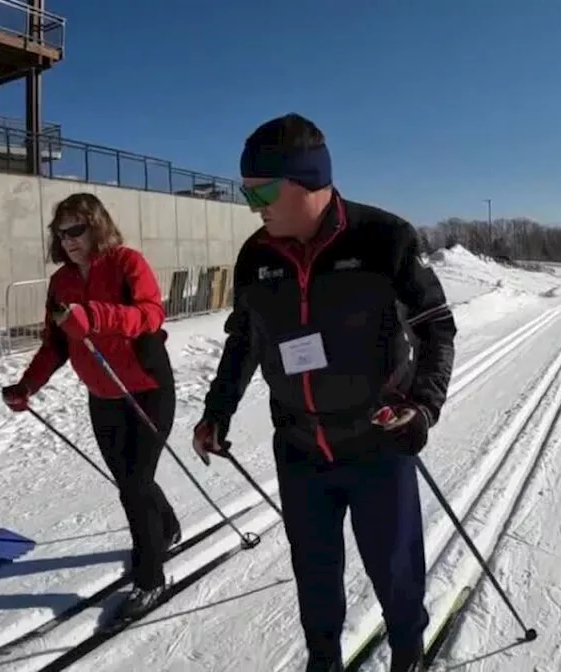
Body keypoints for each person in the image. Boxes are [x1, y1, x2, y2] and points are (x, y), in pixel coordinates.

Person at [192, 113, 457, 672]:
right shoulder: (256, 256)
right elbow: (244, 339)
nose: (253, 206)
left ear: (308, 181)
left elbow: (436, 325)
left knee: (394, 566)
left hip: (376, 442)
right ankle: (322, 660)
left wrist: (424, 407)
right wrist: (218, 410)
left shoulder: (383, 238)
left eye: (261, 191)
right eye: (246, 193)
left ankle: (408, 649)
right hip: (299, 446)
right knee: (314, 572)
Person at [1, 192, 181, 614]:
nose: (68, 240)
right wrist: (27, 386)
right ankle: (167, 527)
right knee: (131, 482)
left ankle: (150, 577)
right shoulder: (61, 283)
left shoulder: (126, 263)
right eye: (61, 233)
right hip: (104, 397)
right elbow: (56, 345)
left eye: (76, 229)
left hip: (147, 390)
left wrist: (96, 315)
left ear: (97, 225)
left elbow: (151, 315)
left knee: (135, 487)